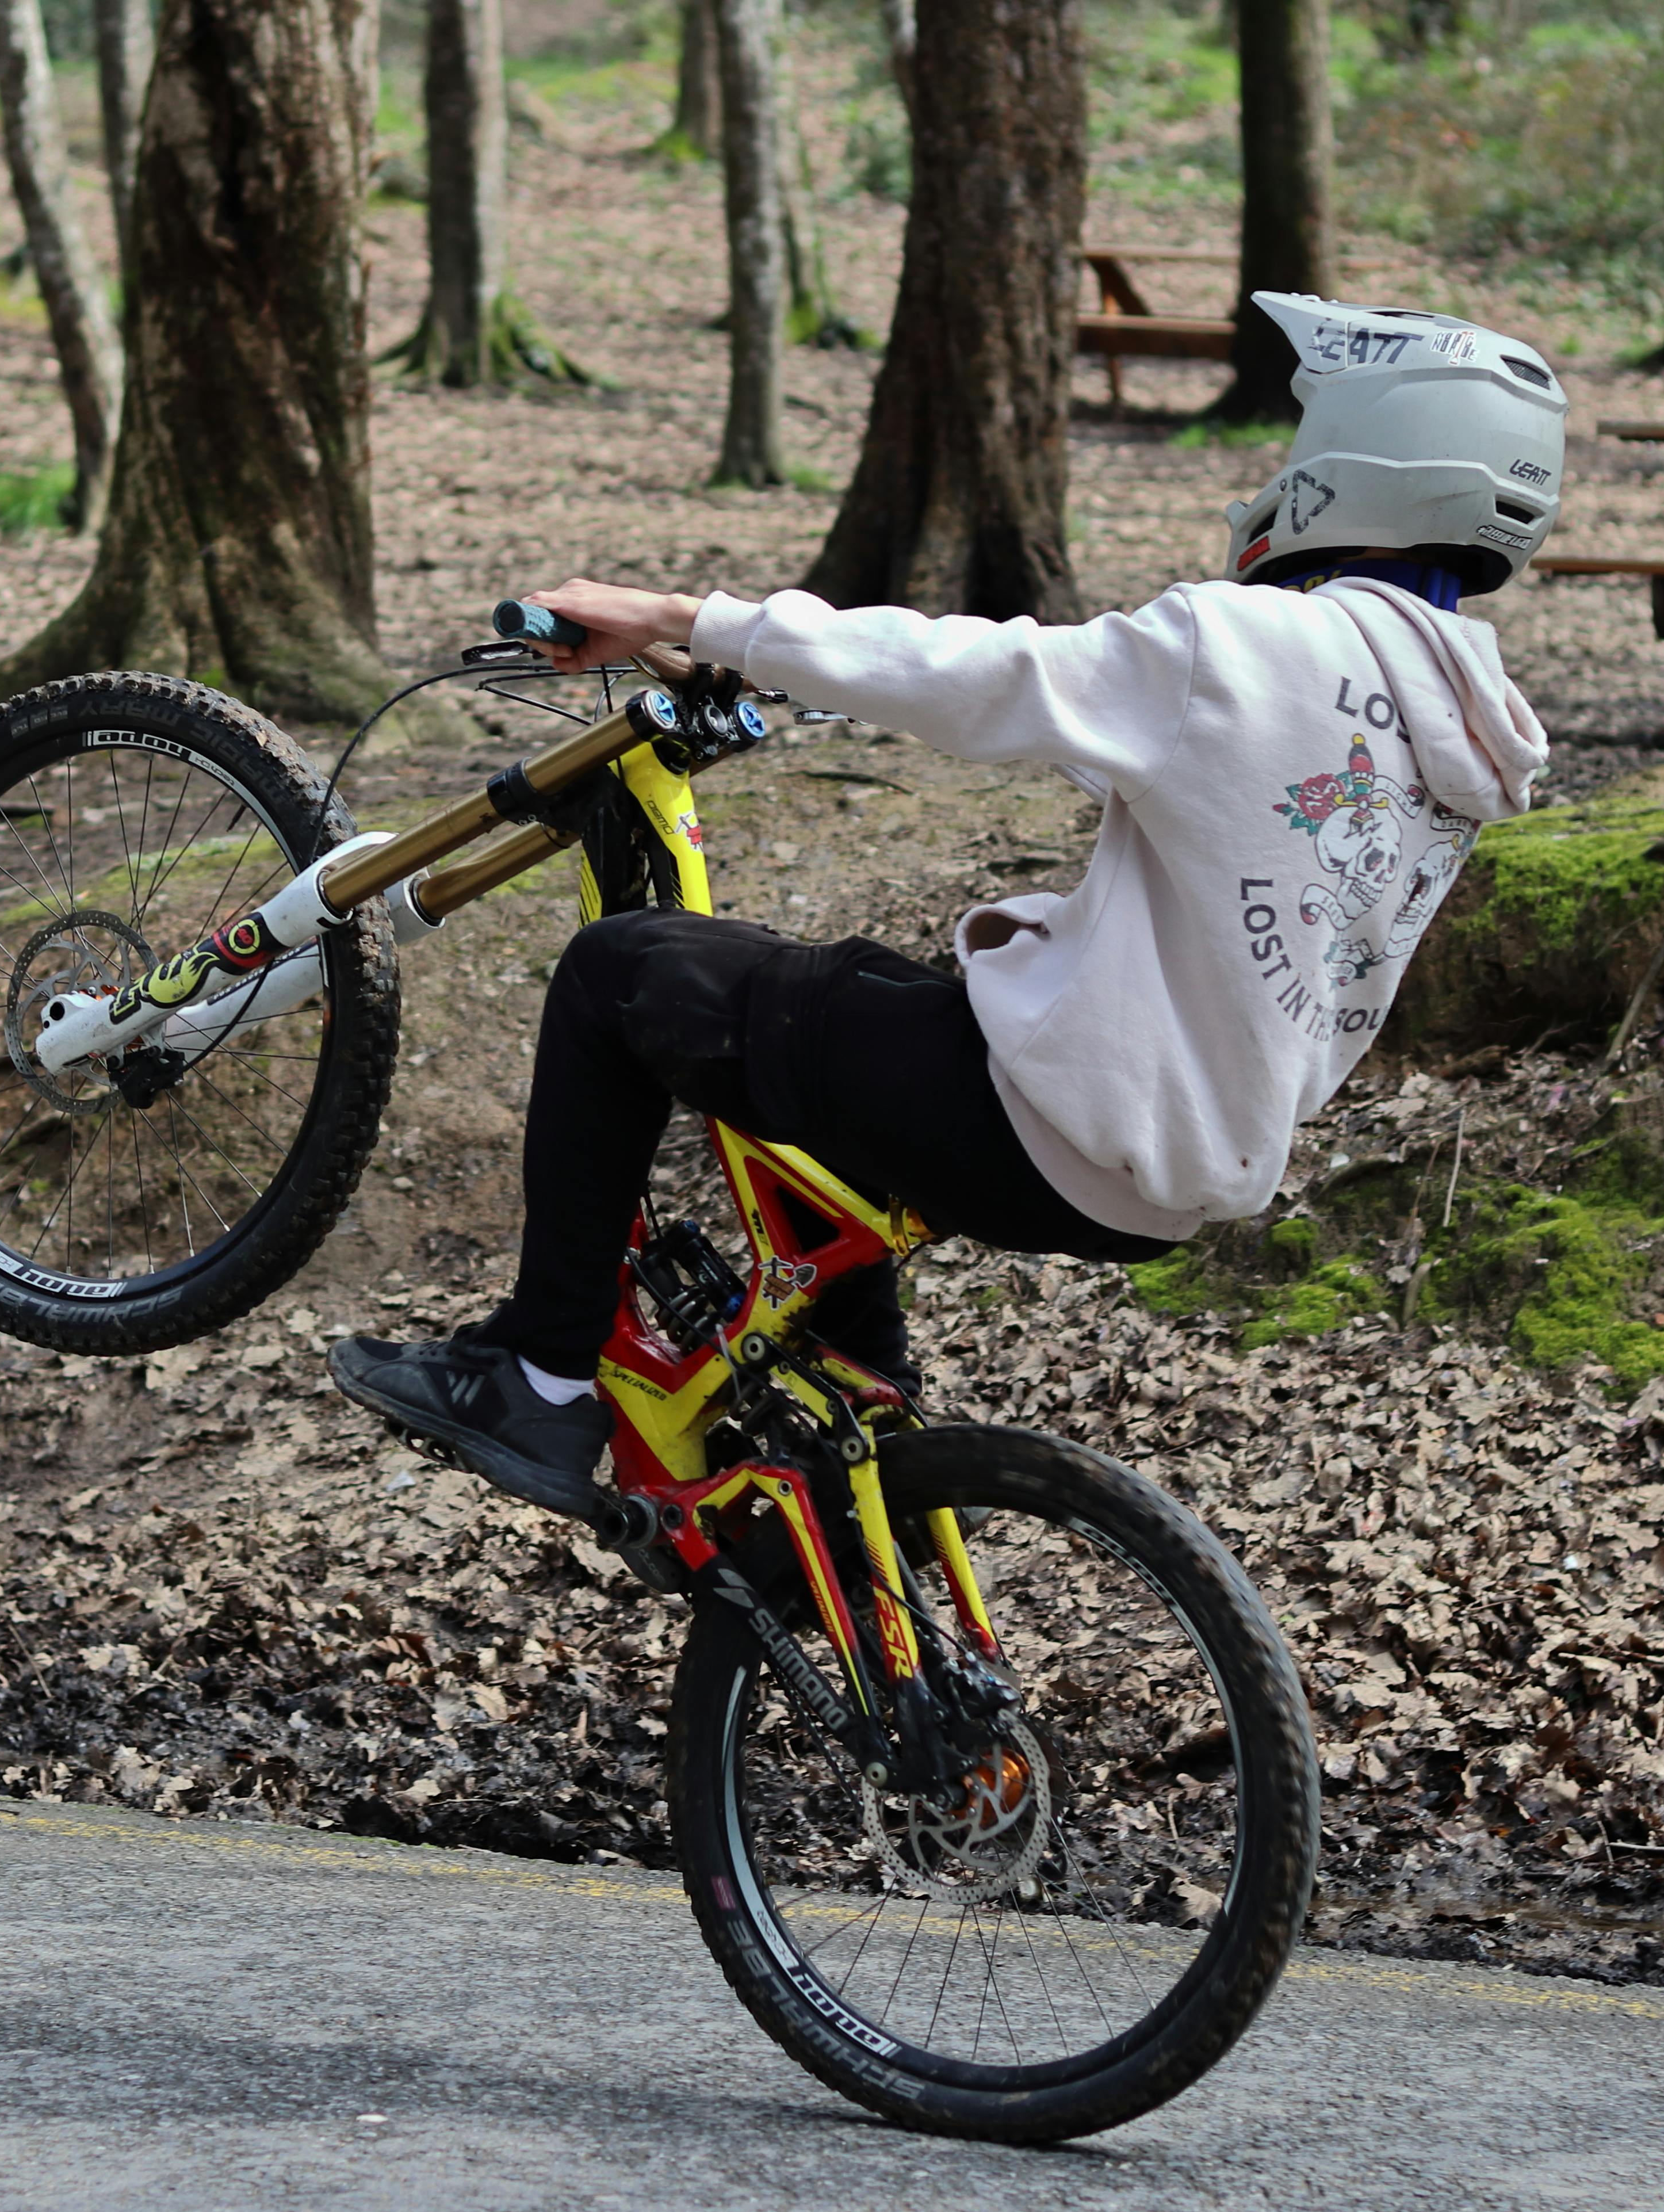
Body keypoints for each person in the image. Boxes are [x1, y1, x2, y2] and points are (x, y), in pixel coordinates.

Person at [330, 294, 1566, 1523]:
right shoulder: (1460, 723)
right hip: (1179, 1178)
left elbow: (977, 675)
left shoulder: (1250, 647)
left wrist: (688, 619)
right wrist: (767, 665)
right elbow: (1127, 749)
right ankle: (864, 1495)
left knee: (620, 973)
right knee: (843, 1031)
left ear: (1359, 463)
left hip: (1046, 1120)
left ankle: (537, 1378)